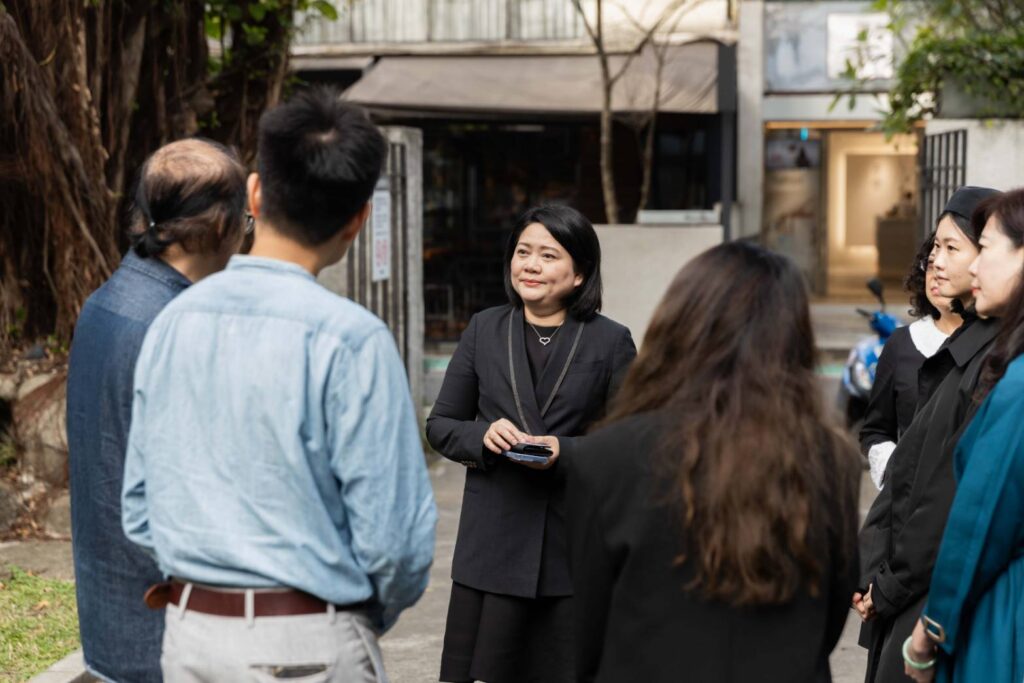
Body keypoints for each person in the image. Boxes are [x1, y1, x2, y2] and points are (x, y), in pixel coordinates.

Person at [121, 89, 436, 681]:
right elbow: (396, 545)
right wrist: (352, 617)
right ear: (359, 217)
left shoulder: (173, 321)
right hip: (307, 645)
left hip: (190, 639)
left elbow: (138, 510)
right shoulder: (353, 339)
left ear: (256, 193)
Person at [565, 241, 862, 682]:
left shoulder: (604, 457)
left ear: (679, 326)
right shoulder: (832, 459)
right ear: (793, 339)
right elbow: (832, 614)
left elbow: (583, 630)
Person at [426, 204, 636, 683]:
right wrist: (482, 434)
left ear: (580, 273)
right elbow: (441, 425)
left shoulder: (610, 341)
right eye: (523, 252)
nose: (531, 265)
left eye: (548, 255)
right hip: (493, 543)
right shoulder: (484, 329)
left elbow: (634, 442)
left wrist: (568, 451)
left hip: (571, 548)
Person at [66, 138, 248, 682]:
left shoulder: (106, 302)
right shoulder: (176, 328)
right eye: (246, 217)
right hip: (171, 629)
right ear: (222, 226)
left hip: (113, 614)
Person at [854, 187, 1002, 683]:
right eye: (934, 248)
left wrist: (891, 584)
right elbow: (899, 465)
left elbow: (947, 494)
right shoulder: (917, 346)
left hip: (926, 589)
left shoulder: (995, 362)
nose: (935, 262)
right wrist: (872, 568)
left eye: (952, 248)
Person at [901, 188, 1024, 682]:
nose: (971, 268)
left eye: (985, 247)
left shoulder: (1017, 387)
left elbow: (979, 520)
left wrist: (928, 630)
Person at [860, 232, 961, 490]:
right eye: (930, 261)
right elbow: (875, 430)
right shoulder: (903, 343)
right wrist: (896, 475)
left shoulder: (997, 346)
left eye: (951, 251)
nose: (937, 267)